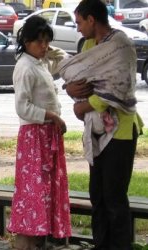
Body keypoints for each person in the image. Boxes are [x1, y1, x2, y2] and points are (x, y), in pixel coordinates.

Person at [63, 0, 143, 248]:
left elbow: (121, 89)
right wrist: (70, 90)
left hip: (120, 131)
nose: (77, 29)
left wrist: (83, 105)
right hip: (95, 130)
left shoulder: (121, 45)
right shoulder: (89, 45)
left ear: (91, 20)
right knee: (97, 195)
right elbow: (78, 78)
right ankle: (101, 244)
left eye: (78, 23)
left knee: (114, 198)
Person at [6, 16, 71, 249]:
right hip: (35, 137)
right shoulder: (24, 67)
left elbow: (65, 61)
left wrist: (50, 49)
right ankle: (27, 242)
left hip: (47, 136)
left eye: (46, 41)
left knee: (45, 191)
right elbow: (22, 107)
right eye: (39, 41)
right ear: (26, 40)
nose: (43, 46)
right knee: (33, 192)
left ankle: (38, 242)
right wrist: (52, 116)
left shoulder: (39, 62)